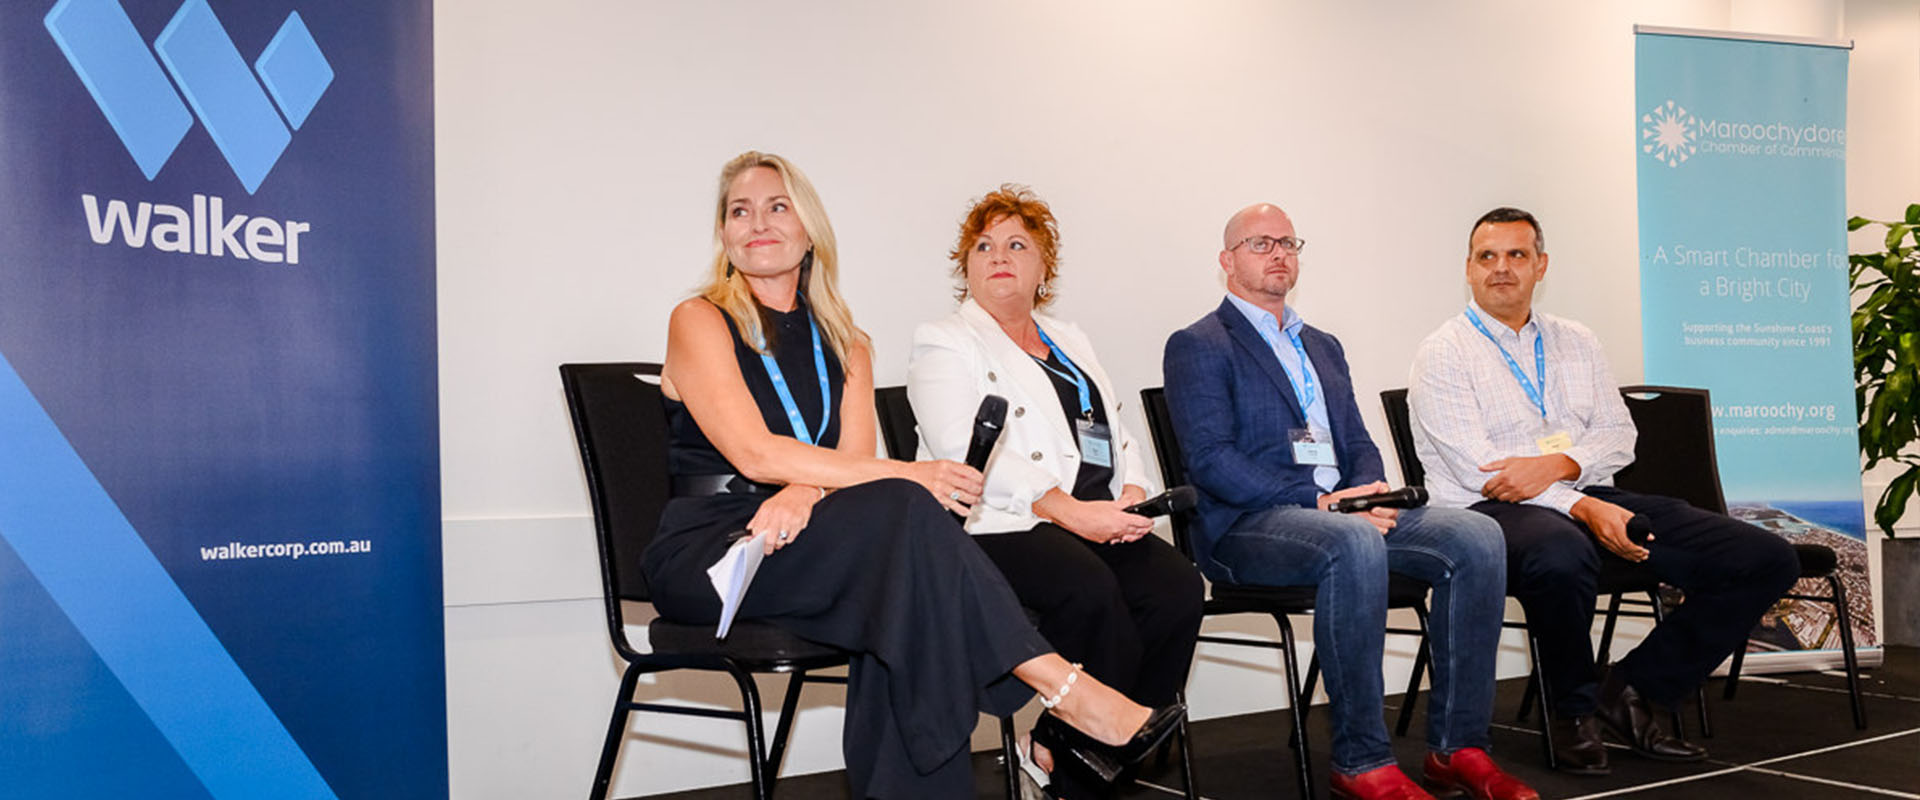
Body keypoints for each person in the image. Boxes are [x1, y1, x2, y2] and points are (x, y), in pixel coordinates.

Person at [645, 152, 1182, 799]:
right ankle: (1067, 691)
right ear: (724, 234)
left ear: (809, 227)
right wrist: (898, 472)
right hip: (720, 547)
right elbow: (754, 453)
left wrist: (805, 488)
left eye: (777, 205)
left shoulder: (848, 343)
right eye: (740, 210)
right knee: (904, 513)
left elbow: (844, 461)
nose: (757, 220)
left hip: (813, 536)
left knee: (907, 600)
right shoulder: (699, 318)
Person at [1407, 206, 1801, 775]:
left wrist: (1563, 466)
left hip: (1583, 493)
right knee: (1559, 552)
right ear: (1467, 269)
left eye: (1516, 255)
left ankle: (1632, 688)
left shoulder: (1577, 340)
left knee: (1763, 558)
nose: (1501, 268)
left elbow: (1620, 438)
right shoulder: (1443, 352)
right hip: (1484, 517)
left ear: (1541, 266)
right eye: (1486, 256)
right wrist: (1585, 505)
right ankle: (1570, 711)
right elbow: (1484, 473)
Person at [1162, 203, 1537, 800]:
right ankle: (1361, 760)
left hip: (1340, 517)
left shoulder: (1323, 345)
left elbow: (1358, 442)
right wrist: (1323, 501)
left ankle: (1459, 748)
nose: (1279, 252)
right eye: (1260, 243)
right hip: (1247, 529)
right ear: (1227, 261)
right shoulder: (1201, 344)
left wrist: (1365, 493)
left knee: (1476, 536)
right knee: (1354, 538)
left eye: (1288, 242)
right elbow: (1212, 462)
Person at [907, 185, 1204, 798]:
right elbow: (965, 445)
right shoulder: (944, 341)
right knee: (1088, 586)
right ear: (966, 266)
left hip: (1090, 517)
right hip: (994, 524)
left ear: (1044, 266)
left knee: (1176, 587)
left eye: (1017, 244)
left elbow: (1113, 425)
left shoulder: (1069, 337)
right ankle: (1078, 772)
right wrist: (1067, 512)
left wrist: (1134, 488)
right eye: (983, 245)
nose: (999, 256)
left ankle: (1063, 744)